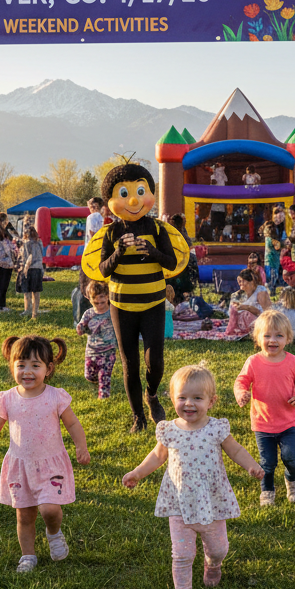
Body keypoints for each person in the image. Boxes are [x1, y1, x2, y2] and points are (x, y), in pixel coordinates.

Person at [122, 363, 264, 589]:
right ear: (173, 398)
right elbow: (157, 457)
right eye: (182, 397)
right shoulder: (169, 430)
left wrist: (251, 466)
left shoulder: (215, 428)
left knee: (219, 548)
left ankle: (213, 564)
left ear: (211, 401)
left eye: (197, 398)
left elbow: (236, 450)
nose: (189, 403)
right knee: (182, 554)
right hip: (179, 502)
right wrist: (137, 473)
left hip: (211, 500)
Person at [0, 335, 90, 573]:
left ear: (48, 368)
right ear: (12, 366)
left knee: (49, 509)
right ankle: (28, 556)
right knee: (24, 515)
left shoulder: (55, 397)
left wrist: (80, 446)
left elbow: (73, 424)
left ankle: (54, 533)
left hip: (51, 465)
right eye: (21, 365)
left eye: (35, 365)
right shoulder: (8, 398)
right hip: (20, 465)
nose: (27, 371)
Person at [80, 162, 189, 432]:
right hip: (122, 306)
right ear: (110, 201)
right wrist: (118, 252)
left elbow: (171, 262)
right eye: (124, 194)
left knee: (155, 361)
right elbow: (103, 270)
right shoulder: (112, 232)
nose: (133, 200)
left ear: (150, 193)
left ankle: (151, 394)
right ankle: (138, 417)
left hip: (153, 304)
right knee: (130, 363)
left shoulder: (157, 229)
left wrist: (151, 251)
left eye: (140, 191)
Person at [234, 310, 295, 506]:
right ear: (257, 338)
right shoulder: (253, 362)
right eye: (267, 335)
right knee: (267, 462)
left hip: (288, 421)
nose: (272, 340)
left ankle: (292, 479)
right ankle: (267, 490)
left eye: (278, 335)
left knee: (290, 457)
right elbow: (241, 381)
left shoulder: (293, 362)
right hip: (263, 423)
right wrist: (241, 393)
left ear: (288, 338)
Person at [76, 280, 117, 399]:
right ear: (90, 300)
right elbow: (82, 325)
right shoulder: (89, 313)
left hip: (108, 351)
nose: (99, 305)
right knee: (89, 375)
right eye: (96, 302)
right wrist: (80, 328)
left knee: (104, 375)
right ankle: (95, 379)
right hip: (92, 351)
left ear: (108, 297)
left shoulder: (112, 312)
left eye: (102, 302)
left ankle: (103, 396)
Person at [224, 269, 272, 337]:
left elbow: (267, 313)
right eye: (239, 281)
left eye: (243, 281)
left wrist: (247, 308)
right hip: (243, 323)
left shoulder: (260, 291)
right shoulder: (241, 293)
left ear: (251, 282)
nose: (240, 283)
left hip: (260, 322)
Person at [15, 225, 46, 319]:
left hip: (27, 269)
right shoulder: (39, 242)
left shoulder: (26, 243)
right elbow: (41, 254)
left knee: (27, 291)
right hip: (38, 268)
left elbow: (25, 258)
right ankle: (35, 312)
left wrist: (21, 269)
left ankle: (27, 309)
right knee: (36, 292)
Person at [262, 221, 282, 295]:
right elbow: (278, 245)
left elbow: (277, 245)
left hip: (271, 262)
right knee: (271, 279)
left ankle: (271, 293)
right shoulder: (269, 239)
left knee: (270, 279)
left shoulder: (268, 239)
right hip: (272, 262)